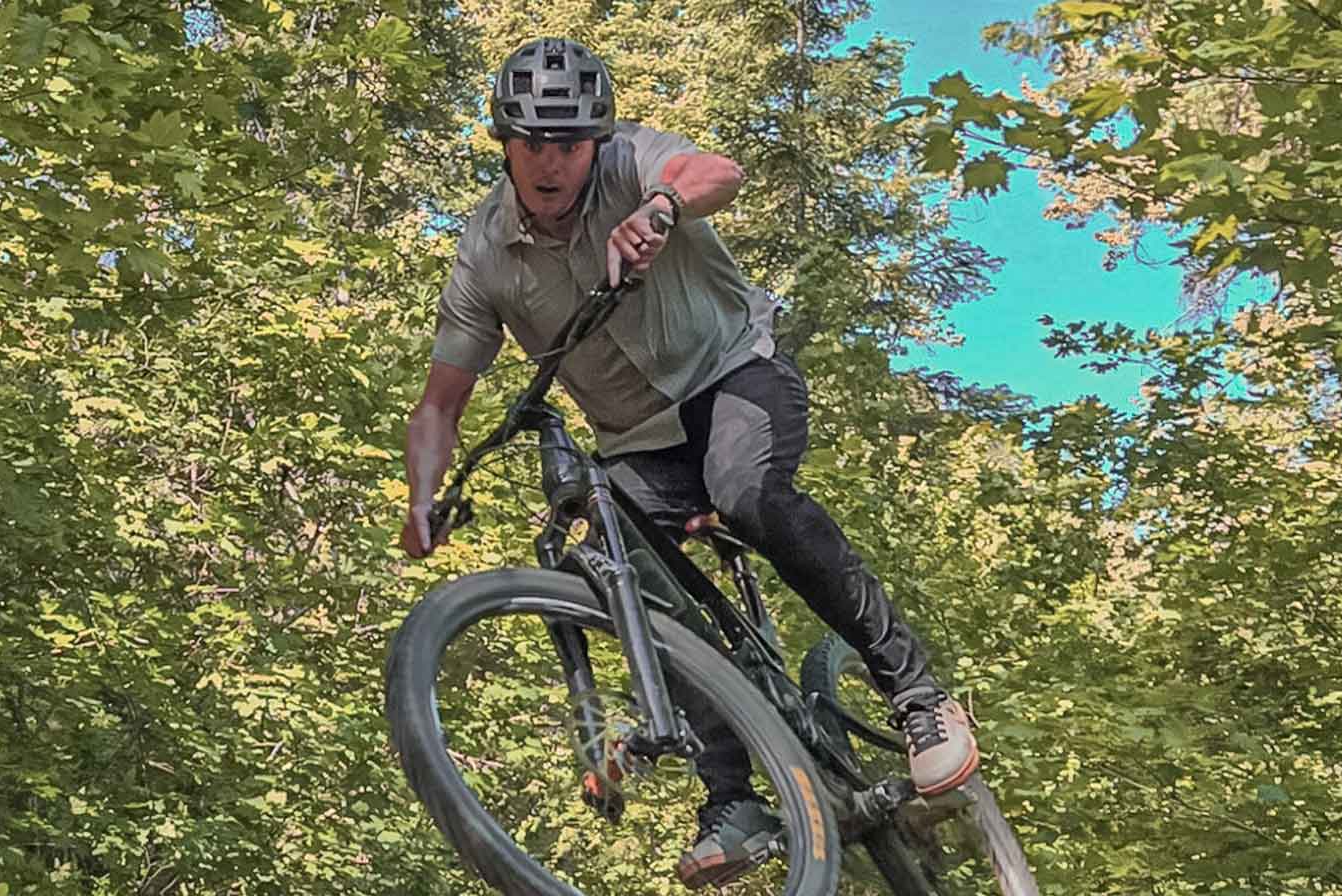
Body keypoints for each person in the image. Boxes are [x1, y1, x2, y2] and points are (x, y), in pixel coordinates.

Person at [400, 37, 978, 889]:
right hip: (637, 440)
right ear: (504, 141)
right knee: (611, 571)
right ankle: (735, 799)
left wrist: (662, 208)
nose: (552, 162)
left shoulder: (636, 162)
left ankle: (916, 694)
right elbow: (441, 402)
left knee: (745, 491)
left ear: (595, 139)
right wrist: (423, 496)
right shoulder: (486, 251)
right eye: (533, 144)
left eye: (569, 143)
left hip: (734, 372)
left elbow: (720, 172)